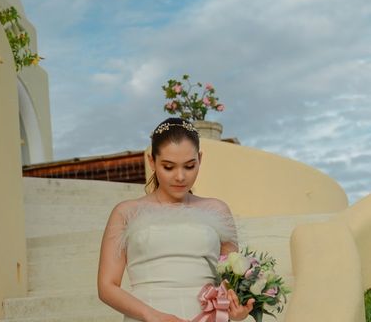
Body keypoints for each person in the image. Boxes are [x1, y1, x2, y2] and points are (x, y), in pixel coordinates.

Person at [98, 117, 255, 322]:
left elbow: (230, 281)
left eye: (189, 166)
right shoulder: (126, 212)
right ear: (151, 161)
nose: (180, 177)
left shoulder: (217, 210)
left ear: (200, 159)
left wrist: (237, 310)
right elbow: (106, 286)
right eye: (169, 167)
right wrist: (152, 315)